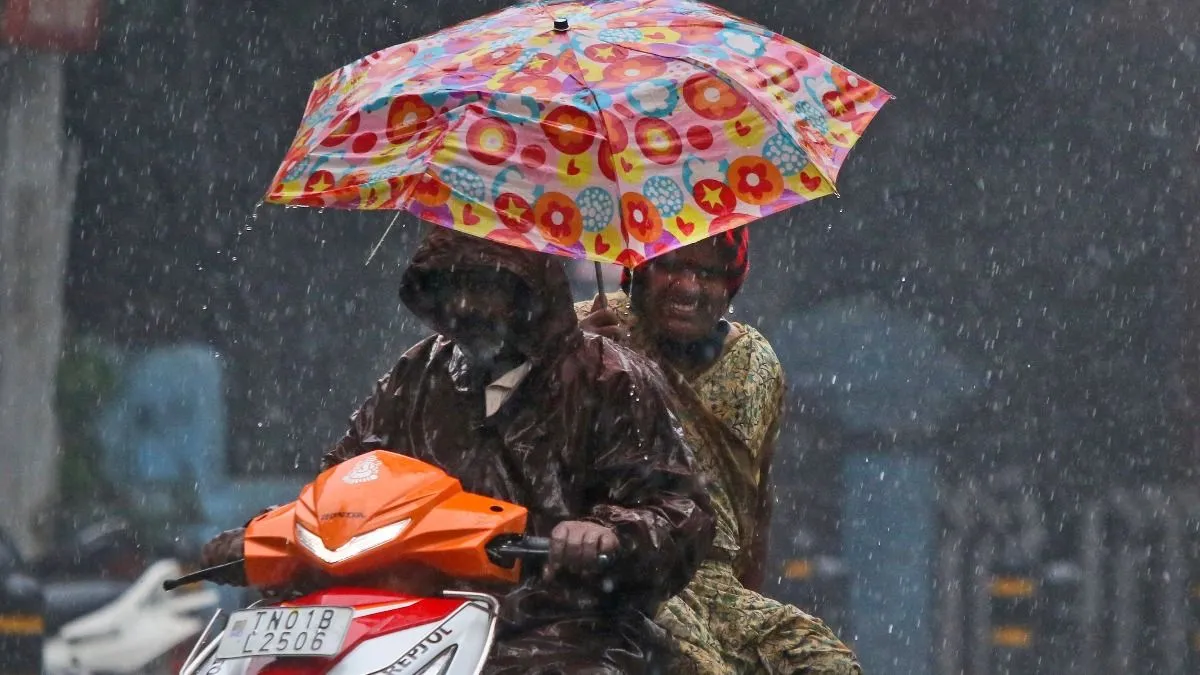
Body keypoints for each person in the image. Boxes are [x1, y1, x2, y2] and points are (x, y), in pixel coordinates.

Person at [202, 227, 714, 674]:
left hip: (556, 631)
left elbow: (677, 512)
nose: (466, 306)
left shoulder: (612, 379)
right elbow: (340, 489)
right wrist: (269, 534)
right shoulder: (415, 374)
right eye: (452, 286)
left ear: (530, 293)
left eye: (486, 286)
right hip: (400, 622)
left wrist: (607, 534)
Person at [576, 228, 860, 675]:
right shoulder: (586, 331)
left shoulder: (754, 364)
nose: (688, 287)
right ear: (640, 273)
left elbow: (755, 501)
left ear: (731, 286)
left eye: (708, 273)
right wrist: (570, 365)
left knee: (825, 663)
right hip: (622, 571)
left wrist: (750, 604)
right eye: (671, 266)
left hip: (714, 583)